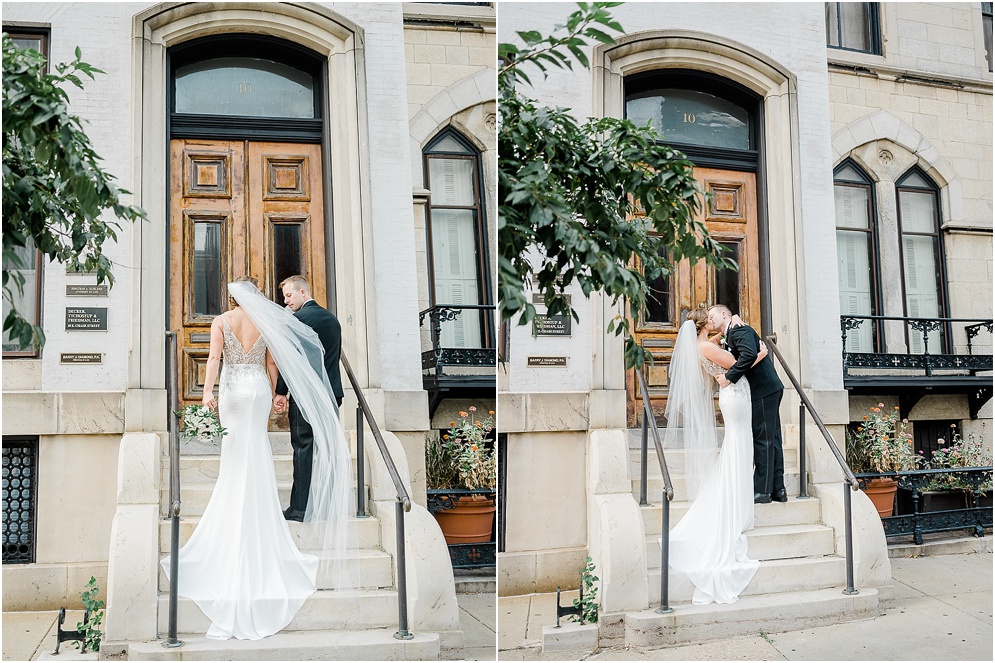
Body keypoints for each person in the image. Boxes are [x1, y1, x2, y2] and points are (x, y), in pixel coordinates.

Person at [160, 276, 319, 640]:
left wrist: (206, 393)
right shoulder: (266, 321)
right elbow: (272, 361)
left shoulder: (222, 321)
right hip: (258, 390)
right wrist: (280, 395)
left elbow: (214, 358)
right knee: (256, 446)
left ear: (233, 295)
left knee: (235, 452)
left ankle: (235, 504)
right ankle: (257, 506)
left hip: (233, 390)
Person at [663, 307, 768, 605]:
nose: (714, 322)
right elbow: (738, 364)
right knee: (738, 445)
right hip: (735, 396)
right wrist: (759, 353)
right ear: (702, 326)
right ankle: (735, 506)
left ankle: (740, 503)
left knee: (740, 446)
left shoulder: (704, 344)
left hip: (735, 394)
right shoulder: (706, 345)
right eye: (709, 320)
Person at [272, 275, 344, 522]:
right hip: (332, 393)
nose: (286, 301)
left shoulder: (298, 320)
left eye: (289, 295)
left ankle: (300, 508)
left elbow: (288, 360)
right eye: (284, 297)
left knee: (303, 448)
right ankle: (329, 505)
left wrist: (281, 391)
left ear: (303, 293)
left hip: (306, 396)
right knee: (328, 449)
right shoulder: (332, 320)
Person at [707, 304, 786, 504]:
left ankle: (762, 491)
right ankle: (778, 489)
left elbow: (749, 354)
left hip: (763, 389)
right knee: (772, 438)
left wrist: (729, 377)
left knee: (763, 439)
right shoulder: (731, 330)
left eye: (712, 316)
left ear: (724, 314)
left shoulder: (738, 329)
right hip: (768, 388)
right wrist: (734, 316)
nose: (710, 320)